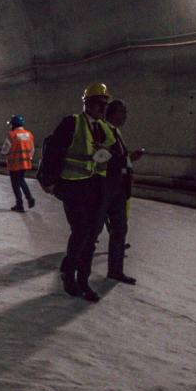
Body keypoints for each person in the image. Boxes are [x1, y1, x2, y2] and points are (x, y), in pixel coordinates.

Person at [37, 83, 118, 301]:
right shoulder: (72, 123)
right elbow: (53, 151)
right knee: (81, 231)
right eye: (100, 104)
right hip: (72, 187)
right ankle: (69, 276)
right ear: (88, 104)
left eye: (105, 104)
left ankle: (84, 279)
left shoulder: (105, 129)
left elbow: (114, 154)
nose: (103, 109)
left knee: (91, 236)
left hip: (94, 189)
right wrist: (49, 181)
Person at [102, 99, 144, 284]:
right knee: (90, 231)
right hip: (104, 188)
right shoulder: (103, 130)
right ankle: (73, 266)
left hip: (118, 188)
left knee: (120, 229)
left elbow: (120, 159)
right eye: (122, 112)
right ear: (112, 113)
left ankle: (115, 271)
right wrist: (127, 158)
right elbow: (104, 158)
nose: (125, 116)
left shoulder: (116, 132)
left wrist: (129, 159)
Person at [0, 114, 36, 212]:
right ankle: (21, 203)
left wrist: (1, 151)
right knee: (20, 180)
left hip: (14, 164)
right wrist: (29, 158)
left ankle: (27, 200)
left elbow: (5, 149)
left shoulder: (12, 135)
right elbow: (32, 149)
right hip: (25, 163)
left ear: (14, 124)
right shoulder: (29, 134)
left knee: (17, 183)